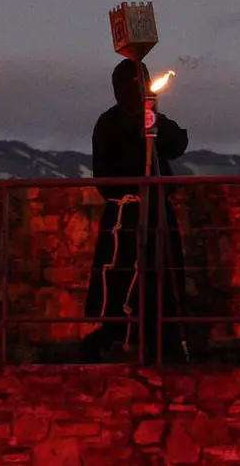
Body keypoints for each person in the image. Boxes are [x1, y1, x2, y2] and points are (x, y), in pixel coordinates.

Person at [81, 58, 190, 363]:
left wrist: (154, 124)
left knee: (161, 280)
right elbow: (106, 173)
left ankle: (165, 342)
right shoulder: (110, 123)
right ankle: (117, 340)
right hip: (126, 215)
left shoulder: (152, 117)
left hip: (157, 214)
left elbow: (177, 143)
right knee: (123, 279)